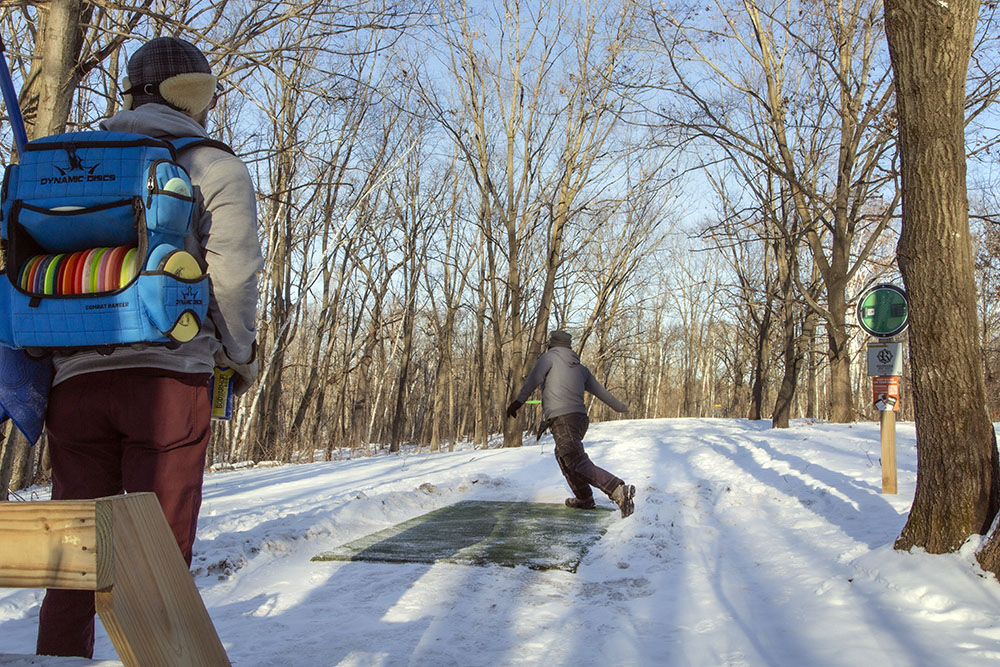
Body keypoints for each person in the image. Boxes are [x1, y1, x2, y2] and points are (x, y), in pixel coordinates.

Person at [36, 37, 263, 659]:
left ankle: (58, 659)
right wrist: (238, 359)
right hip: (166, 382)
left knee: (76, 553)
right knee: (157, 558)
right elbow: (234, 278)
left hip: (73, 381)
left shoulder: (68, 160)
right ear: (194, 95)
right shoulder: (213, 165)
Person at [506, 330, 636, 518]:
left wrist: (518, 402)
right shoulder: (580, 368)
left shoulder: (548, 358)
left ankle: (617, 489)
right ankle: (584, 499)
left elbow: (533, 380)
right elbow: (601, 392)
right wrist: (621, 407)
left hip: (563, 419)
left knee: (574, 459)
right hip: (580, 420)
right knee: (563, 455)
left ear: (552, 344)